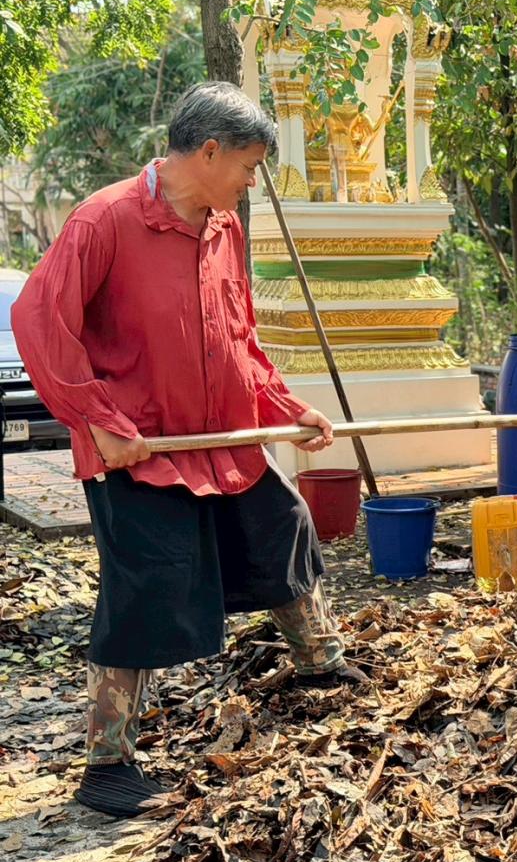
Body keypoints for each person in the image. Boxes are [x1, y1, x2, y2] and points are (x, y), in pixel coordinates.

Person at [10, 82, 364, 818]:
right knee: (145, 589)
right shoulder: (104, 221)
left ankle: (324, 669)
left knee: (283, 526)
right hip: (139, 450)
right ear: (208, 152)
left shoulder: (223, 226)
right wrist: (93, 415)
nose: (250, 180)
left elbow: (239, 339)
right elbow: (39, 322)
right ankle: (106, 765)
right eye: (248, 164)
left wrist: (284, 407)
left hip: (221, 441)